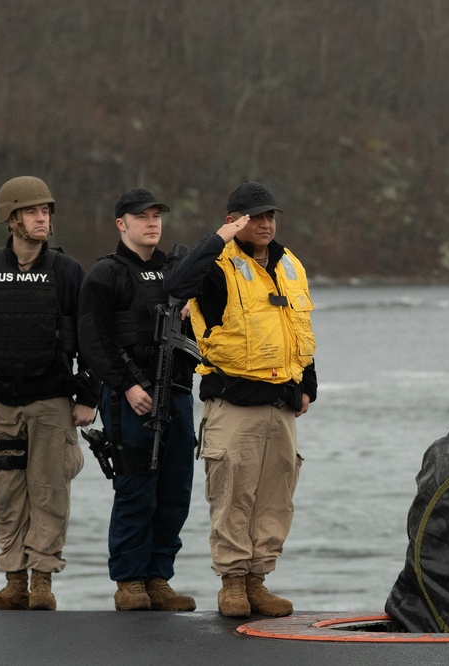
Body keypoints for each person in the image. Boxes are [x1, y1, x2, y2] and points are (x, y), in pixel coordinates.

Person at [164, 181, 316, 618]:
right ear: (234, 221)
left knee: (275, 499)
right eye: (255, 217)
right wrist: (219, 239)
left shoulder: (290, 264)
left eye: (270, 216)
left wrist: (308, 384)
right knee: (232, 496)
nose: (265, 224)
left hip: (282, 405)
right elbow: (175, 284)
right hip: (233, 404)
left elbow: (300, 328)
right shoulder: (216, 267)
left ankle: (257, 581)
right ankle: (232, 582)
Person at [0, 176, 98, 610]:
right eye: (32, 211)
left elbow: (91, 339)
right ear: (11, 219)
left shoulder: (67, 272)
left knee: (50, 491)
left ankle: (43, 582)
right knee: (6, 492)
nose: (42, 218)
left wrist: (89, 396)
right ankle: (14, 582)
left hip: (52, 399)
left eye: (46, 211)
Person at [78, 188, 198, 612]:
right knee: (135, 487)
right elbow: (93, 340)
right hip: (129, 399)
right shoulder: (105, 274)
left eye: (156, 216)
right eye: (142, 216)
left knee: (175, 488)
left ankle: (158, 578)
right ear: (121, 224)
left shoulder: (177, 272)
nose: (152, 223)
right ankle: (129, 581)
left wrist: (194, 311)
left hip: (177, 392)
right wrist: (127, 386)